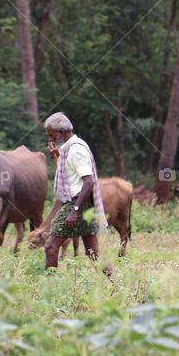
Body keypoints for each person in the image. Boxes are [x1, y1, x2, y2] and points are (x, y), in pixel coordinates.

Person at [43, 112, 110, 275]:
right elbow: (71, 175)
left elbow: (88, 181)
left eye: (52, 135)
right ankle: (117, 286)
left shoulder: (75, 151)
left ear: (62, 132)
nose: (50, 139)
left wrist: (75, 211)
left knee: (50, 246)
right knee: (93, 253)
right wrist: (56, 158)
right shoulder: (70, 148)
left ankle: (49, 289)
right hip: (83, 203)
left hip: (78, 203)